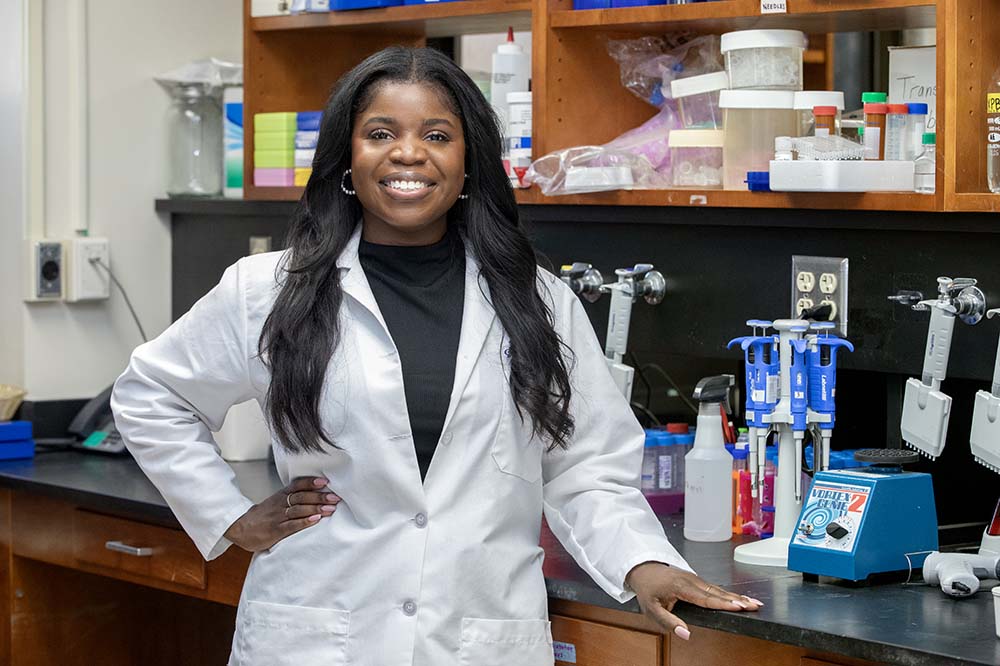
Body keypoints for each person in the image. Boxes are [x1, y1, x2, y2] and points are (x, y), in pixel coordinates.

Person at [111, 46, 760, 666]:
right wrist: (233, 519)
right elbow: (150, 395)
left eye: (438, 135)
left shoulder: (537, 300)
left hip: (477, 634)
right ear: (347, 156)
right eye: (381, 133)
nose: (409, 154)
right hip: (318, 634)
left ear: (470, 160)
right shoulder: (270, 290)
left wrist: (641, 561)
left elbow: (584, 464)